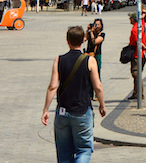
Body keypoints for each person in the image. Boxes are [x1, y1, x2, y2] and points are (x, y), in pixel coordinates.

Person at [41, 25, 106, 163]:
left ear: (67, 41)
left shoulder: (59, 60)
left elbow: (53, 86)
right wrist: (102, 105)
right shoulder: (90, 61)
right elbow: (98, 87)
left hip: (63, 112)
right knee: (84, 149)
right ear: (83, 40)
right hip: (82, 111)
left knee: (64, 152)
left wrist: (46, 109)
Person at [128, 10, 146, 99]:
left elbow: (138, 41)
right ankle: (135, 93)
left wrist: (144, 47)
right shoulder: (144, 27)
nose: (129, 20)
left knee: (136, 74)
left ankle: (139, 94)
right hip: (143, 55)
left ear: (134, 20)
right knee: (138, 73)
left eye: (130, 18)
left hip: (137, 55)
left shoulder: (135, 29)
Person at [85, 19, 105, 90]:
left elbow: (95, 42)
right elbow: (84, 39)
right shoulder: (90, 33)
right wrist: (88, 30)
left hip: (97, 55)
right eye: (95, 24)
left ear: (101, 26)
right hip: (89, 54)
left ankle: (97, 93)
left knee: (97, 74)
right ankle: (90, 94)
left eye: (98, 24)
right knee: (88, 74)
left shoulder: (102, 34)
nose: (96, 26)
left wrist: (92, 33)